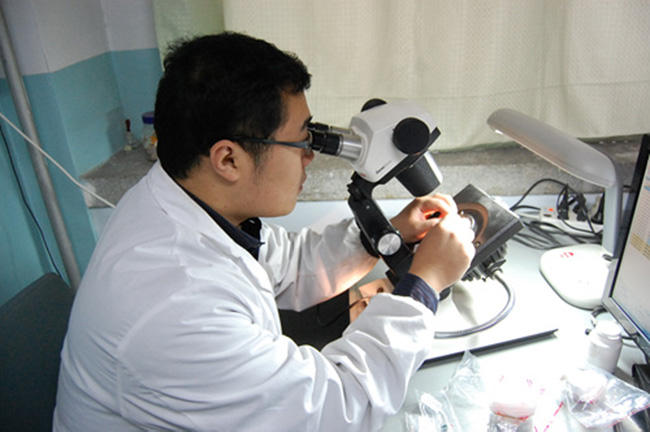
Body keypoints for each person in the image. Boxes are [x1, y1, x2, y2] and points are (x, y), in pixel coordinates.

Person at [54, 32, 475, 431]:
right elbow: (338, 409)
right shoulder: (176, 308)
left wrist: (385, 232)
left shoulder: (178, 200)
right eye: (301, 142)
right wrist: (424, 284)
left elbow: (288, 266)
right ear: (228, 159)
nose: (310, 156)